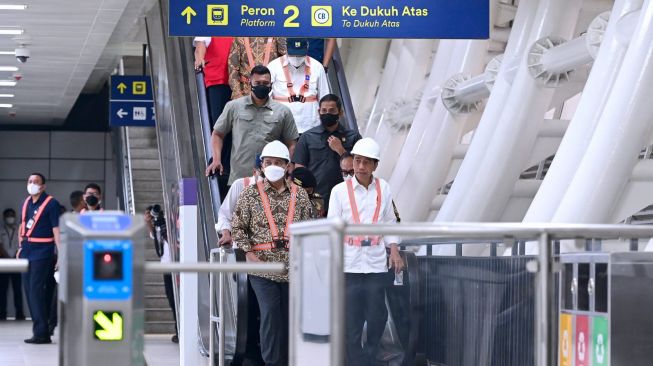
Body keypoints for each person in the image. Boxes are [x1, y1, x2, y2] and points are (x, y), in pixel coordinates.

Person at [231, 141, 313, 366]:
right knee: (270, 314)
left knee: (289, 318)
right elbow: (238, 227)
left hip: (292, 267)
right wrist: (248, 254)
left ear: (288, 166)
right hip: (262, 266)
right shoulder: (250, 194)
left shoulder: (300, 196)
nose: (273, 166)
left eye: (278, 162)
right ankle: (272, 362)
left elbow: (310, 228)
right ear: (261, 166)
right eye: (268, 162)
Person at [327, 138, 404, 366]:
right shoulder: (339, 191)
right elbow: (333, 226)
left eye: (366, 162)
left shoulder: (384, 188)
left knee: (377, 315)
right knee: (352, 319)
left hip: (375, 261)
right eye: (358, 161)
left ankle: (369, 356)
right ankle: (356, 362)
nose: (360, 166)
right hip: (349, 261)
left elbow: (390, 221)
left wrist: (395, 251)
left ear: (375, 165)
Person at [205, 65, 299, 187]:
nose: (262, 86)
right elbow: (218, 134)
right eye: (258, 83)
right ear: (250, 83)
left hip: (271, 180)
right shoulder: (233, 107)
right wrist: (217, 159)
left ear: (271, 84)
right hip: (240, 179)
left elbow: (292, 143)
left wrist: (288, 165)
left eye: (265, 83)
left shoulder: (283, 111)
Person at [294, 94, 362, 212]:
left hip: (347, 197)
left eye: (332, 111)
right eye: (324, 111)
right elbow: (299, 169)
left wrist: (341, 150)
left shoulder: (353, 137)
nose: (327, 114)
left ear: (340, 113)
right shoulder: (307, 137)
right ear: (318, 111)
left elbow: (361, 167)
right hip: (316, 198)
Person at [17, 173, 61, 344]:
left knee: (36, 290)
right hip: (27, 250)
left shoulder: (51, 204)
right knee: (28, 290)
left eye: (36, 182)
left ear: (43, 186)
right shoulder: (27, 202)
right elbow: (23, 225)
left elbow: (57, 231)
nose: (32, 184)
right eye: (29, 181)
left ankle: (42, 331)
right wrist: (20, 247)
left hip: (43, 251)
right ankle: (39, 330)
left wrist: (60, 256)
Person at [194, 37, 235, 199]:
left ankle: (227, 162)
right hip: (217, 77)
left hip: (238, 77)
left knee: (235, 122)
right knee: (220, 121)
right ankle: (221, 163)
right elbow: (200, 45)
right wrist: (199, 59)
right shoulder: (211, 15)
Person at [268, 38, 330, 133]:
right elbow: (266, 98)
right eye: (293, 54)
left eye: (300, 54)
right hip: (282, 126)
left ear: (307, 49)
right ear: (286, 49)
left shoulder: (317, 67)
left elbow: (325, 97)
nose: (296, 58)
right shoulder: (273, 67)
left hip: (310, 125)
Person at [144, 207, 179, 343]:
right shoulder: (160, 227)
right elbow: (154, 236)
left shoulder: (174, 224)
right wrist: (149, 222)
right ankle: (178, 330)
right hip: (167, 266)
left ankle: (182, 330)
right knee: (171, 299)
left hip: (180, 266)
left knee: (179, 300)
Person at [216, 157, 262, 247]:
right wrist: (226, 233)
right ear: (254, 171)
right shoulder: (240, 185)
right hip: (242, 248)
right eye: (262, 174)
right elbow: (224, 214)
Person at [0, 208, 25, 320]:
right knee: (2, 290)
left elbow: (21, 244)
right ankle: (2, 313)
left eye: (12, 215)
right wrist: (6, 256)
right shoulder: (1, 230)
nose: (10, 218)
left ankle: (19, 314)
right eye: (8, 216)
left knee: (17, 289)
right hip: (3, 262)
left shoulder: (19, 230)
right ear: (4, 218)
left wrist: (15, 255)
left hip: (16, 262)